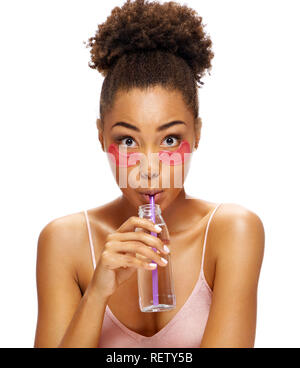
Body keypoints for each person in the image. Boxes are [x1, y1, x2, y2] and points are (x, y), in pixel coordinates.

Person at [34, 0, 265, 348]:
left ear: (197, 134)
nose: (150, 169)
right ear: (101, 136)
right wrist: (97, 293)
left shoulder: (232, 231)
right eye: (127, 140)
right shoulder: (65, 242)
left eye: (170, 139)